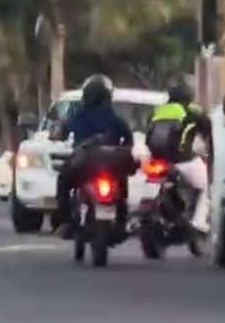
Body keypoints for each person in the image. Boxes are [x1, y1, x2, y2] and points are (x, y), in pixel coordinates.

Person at [52, 74, 134, 237]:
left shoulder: (78, 116)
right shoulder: (114, 118)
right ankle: (122, 221)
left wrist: (55, 135)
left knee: (63, 181)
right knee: (122, 185)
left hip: (84, 164)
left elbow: (60, 133)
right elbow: (128, 138)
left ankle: (66, 221)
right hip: (112, 164)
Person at [146, 77, 214, 237]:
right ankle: (199, 223)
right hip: (183, 161)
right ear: (189, 95)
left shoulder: (157, 111)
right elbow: (208, 134)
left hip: (157, 161)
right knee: (206, 186)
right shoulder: (193, 112)